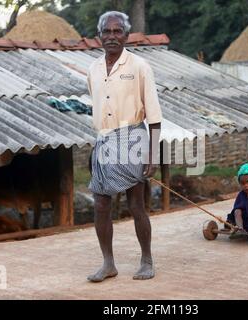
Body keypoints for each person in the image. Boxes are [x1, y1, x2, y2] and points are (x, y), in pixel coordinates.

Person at [86, 11, 162, 282]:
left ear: (127, 36)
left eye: (117, 32)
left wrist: (152, 155)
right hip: (104, 140)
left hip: (133, 139)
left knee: (136, 204)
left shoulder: (139, 66)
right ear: (99, 36)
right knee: (101, 204)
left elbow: (154, 116)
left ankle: (147, 259)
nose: (111, 36)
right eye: (106, 32)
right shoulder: (93, 69)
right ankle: (108, 263)